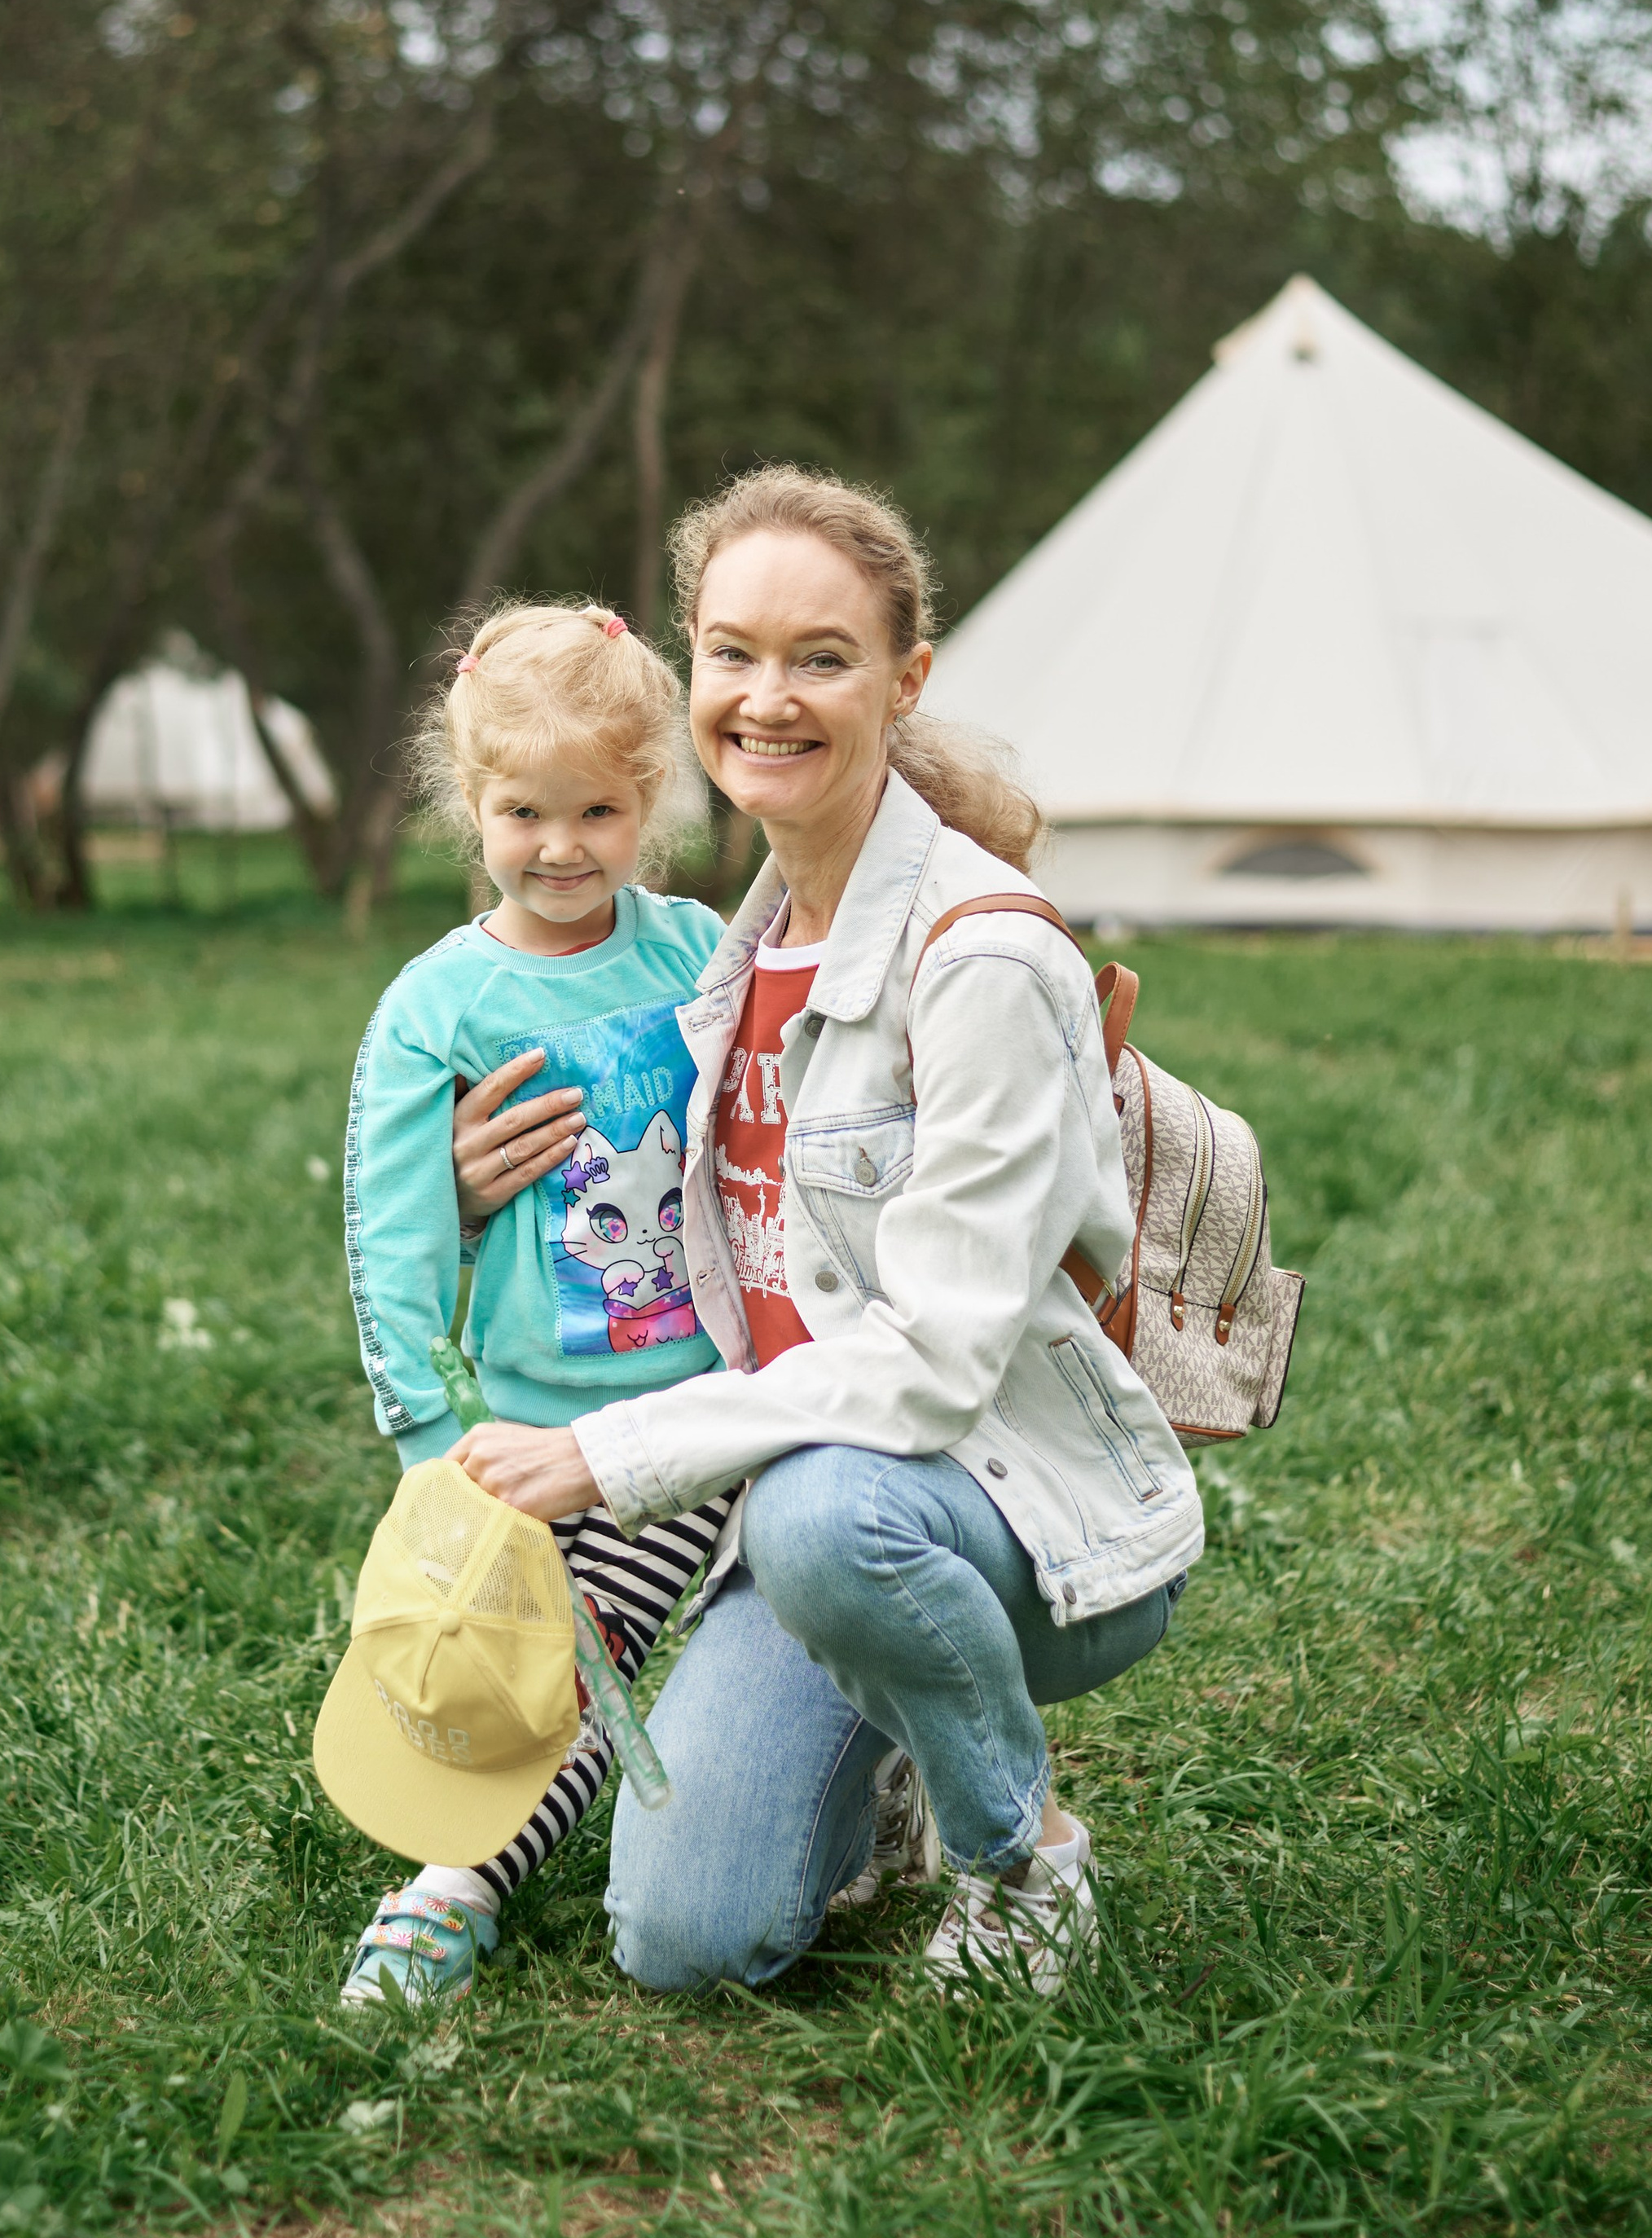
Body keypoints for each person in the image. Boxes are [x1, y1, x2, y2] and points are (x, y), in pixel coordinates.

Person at [450, 473, 1205, 1993]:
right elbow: (667, 1241)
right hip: (790, 1517)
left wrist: (611, 1460)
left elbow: (931, 1368)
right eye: (731, 654)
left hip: (1000, 1515)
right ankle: (894, 1751)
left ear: (905, 679)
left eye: (821, 657)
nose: (767, 699)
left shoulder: (981, 959)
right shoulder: (731, 960)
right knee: (684, 1944)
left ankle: (1021, 1853)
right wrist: (479, 1194)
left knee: (825, 1519)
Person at [335, 602, 731, 2006]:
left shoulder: (699, 955)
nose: (561, 848)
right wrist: (428, 1445)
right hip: (523, 1430)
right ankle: (452, 1884)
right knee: (538, 1671)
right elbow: (388, 1237)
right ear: (470, 804)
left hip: (711, 1414)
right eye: (524, 813)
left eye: (599, 811)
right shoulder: (436, 1007)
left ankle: (456, 1888)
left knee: (608, 1646)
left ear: (654, 801)